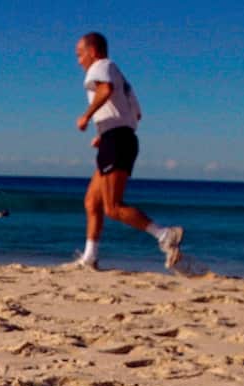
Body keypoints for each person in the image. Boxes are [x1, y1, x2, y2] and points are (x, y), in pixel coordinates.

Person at [72, 31, 182, 271]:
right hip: (116, 139)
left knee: (112, 207)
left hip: (117, 141)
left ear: (92, 52)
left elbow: (105, 90)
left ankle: (164, 234)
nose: (78, 60)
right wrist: (104, 133)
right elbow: (136, 114)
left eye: (80, 54)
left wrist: (87, 116)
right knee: (92, 201)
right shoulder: (119, 74)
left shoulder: (100, 67)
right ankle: (90, 258)